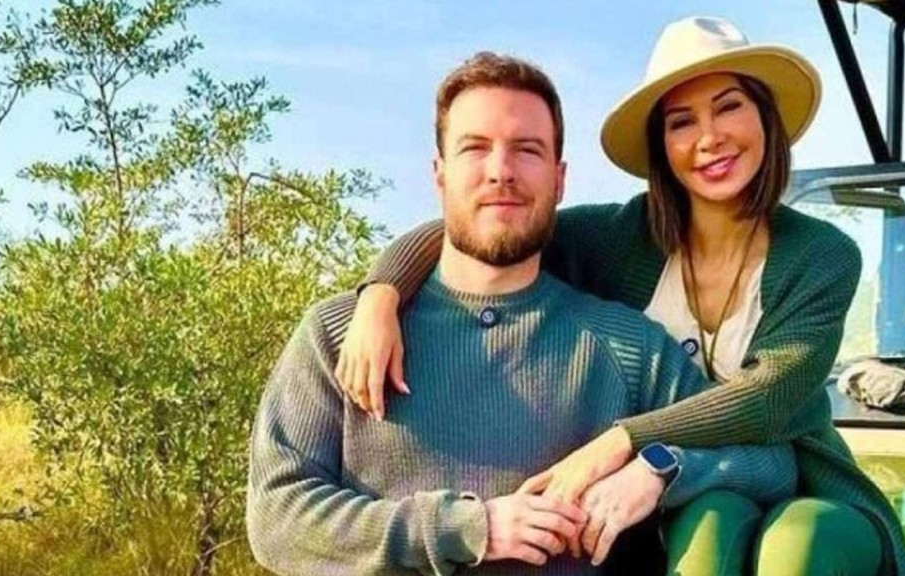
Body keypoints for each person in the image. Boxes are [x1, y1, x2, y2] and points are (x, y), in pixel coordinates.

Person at [335, 17, 905, 576]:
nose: (709, 137)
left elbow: (764, 400)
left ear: (765, 116)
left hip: (802, 479)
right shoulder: (619, 238)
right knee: (710, 524)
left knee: (798, 543)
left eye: (729, 107)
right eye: (681, 121)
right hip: (684, 492)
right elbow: (489, 224)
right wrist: (382, 292)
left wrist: (623, 440)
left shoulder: (824, 254)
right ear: (662, 145)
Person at [247, 51, 795, 576]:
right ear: (439, 174)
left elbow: (771, 464)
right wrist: (469, 528)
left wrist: (661, 470)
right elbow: (276, 519)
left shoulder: (626, 348)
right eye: (475, 148)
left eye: (527, 150)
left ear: (560, 179)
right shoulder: (340, 333)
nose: (501, 171)